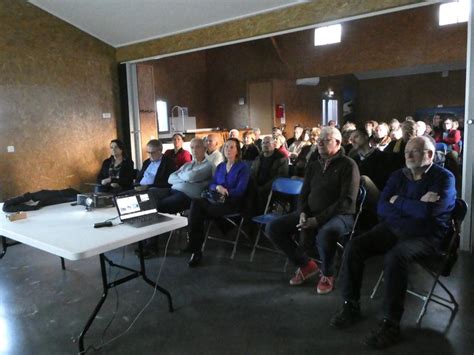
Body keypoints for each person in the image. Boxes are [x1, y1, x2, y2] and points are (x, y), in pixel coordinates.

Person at [330, 136, 456, 350]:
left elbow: (431, 213)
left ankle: (391, 324)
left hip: (426, 236)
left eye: (414, 151)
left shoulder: (444, 178)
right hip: (393, 228)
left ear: (430, 155)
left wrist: (399, 202)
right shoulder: (398, 175)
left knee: (396, 257)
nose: (407, 155)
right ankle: (350, 305)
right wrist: (415, 205)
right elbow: (382, 207)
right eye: (406, 151)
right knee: (354, 246)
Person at [266, 127, 360, 294]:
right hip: (311, 213)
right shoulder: (314, 165)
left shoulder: (349, 165)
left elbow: (346, 201)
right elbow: (304, 193)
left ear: (338, 143)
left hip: (341, 215)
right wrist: (302, 212)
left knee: (326, 232)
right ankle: (305, 264)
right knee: (273, 228)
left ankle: (328, 273)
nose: (320, 143)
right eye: (319, 140)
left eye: (326, 140)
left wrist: (317, 220)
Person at [186, 138, 250, 267]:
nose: (228, 149)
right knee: (196, 205)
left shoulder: (243, 167)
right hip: (216, 200)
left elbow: (240, 190)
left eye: (232, 147)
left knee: (197, 212)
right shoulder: (221, 166)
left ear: (237, 150)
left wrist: (226, 191)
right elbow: (212, 184)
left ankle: (194, 249)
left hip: (232, 203)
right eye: (226, 147)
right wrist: (217, 187)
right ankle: (196, 250)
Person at [149, 138, 213, 214]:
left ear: (205, 149)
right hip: (172, 190)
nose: (194, 150)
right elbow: (170, 178)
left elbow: (191, 177)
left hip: (187, 196)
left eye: (197, 147)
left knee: (160, 205)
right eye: (192, 147)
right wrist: (186, 178)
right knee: (150, 192)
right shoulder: (187, 164)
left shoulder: (208, 165)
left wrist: (181, 176)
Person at [249, 136, 289, 215]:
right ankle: (248, 221)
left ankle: (259, 222)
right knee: (248, 193)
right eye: (263, 143)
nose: (265, 145)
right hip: (257, 186)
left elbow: (280, 177)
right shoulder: (258, 158)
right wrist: (256, 185)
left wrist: (263, 188)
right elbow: (252, 173)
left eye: (268, 143)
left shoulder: (281, 158)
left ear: (274, 145)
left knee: (261, 195)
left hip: (273, 188)